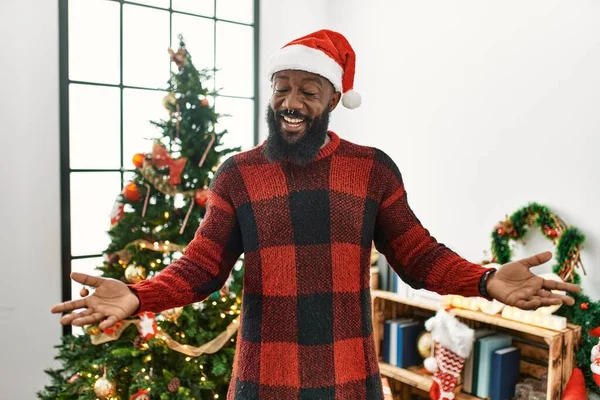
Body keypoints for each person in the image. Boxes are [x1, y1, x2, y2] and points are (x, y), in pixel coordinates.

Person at [52, 30, 580, 400]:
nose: (292, 100)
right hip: (263, 378)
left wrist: (486, 281)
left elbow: (419, 257)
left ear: (332, 99)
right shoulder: (238, 175)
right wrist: (140, 295)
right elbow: (200, 268)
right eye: (283, 87)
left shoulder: (371, 170)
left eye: (309, 90)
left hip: (348, 378)